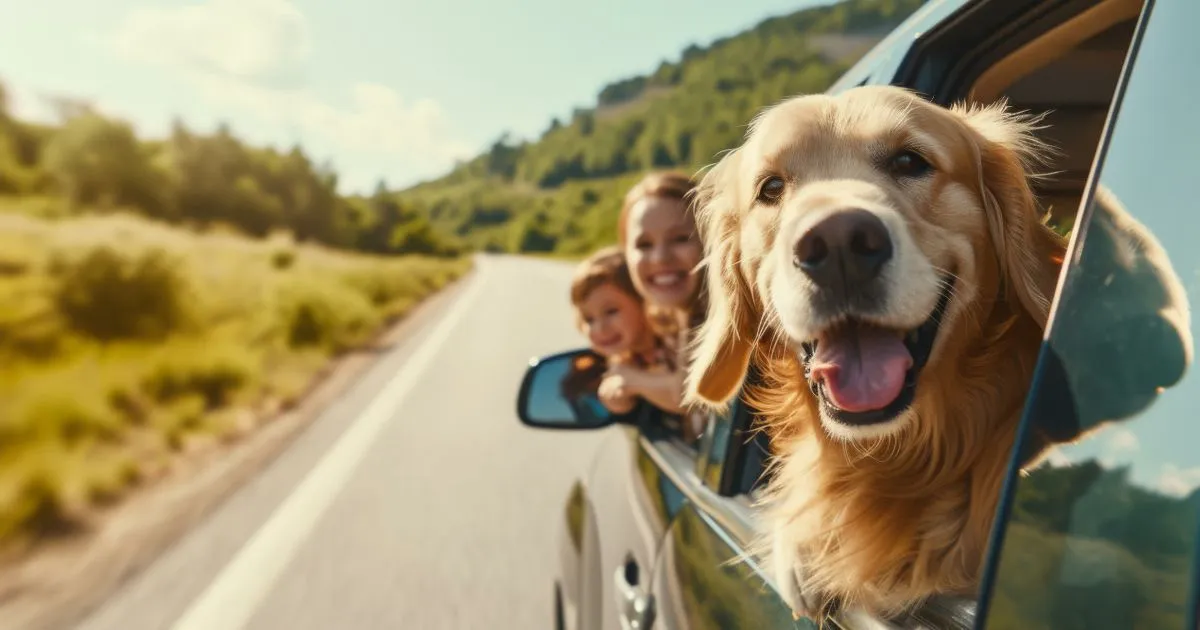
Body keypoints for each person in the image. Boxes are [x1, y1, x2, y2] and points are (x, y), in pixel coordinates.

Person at [600, 170, 710, 442]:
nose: (660, 257)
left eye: (680, 238)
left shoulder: (723, 320)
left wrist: (629, 380)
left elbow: (690, 394)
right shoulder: (668, 320)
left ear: (711, 238)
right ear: (627, 255)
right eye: (644, 245)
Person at [563, 246, 672, 417]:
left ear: (645, 301)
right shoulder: (624, 361)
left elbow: (685, 395)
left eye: (611, 311)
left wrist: (630, 381)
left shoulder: (674, 345)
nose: (600, 328)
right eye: (589, 319)